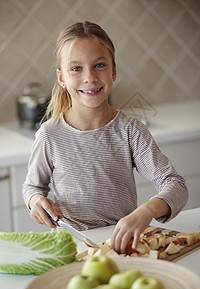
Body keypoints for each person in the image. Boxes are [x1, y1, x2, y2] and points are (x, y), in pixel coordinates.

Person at [22, 21, 188, 254]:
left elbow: (176, 186)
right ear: (61, 79)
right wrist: (35, 201)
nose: (90, 77)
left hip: (119, 245)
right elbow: (32, 186)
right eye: (76, 68)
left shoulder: (130, 130)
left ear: (113, 71)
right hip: (71, 246)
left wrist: (145, 212)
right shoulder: (50, 135)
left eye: (99, 65)